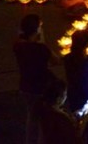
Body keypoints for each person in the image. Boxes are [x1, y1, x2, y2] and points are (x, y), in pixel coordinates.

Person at [13, 13, 59, 144]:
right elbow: (56, 60)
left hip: (25, 86)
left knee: (31, 115)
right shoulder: (41, 48)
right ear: (36, 30)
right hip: (40, 87)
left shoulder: (18, 46)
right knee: (42, 120)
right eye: (40, 26)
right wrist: (42, 41)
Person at [37, 78, 85, 144]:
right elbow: (74, 139)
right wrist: (77, 124)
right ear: (58, 99)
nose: (66, 97)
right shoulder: (61, 118)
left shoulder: (42, 111)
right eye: (65, 94)